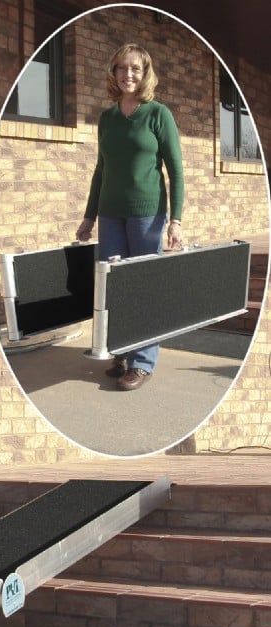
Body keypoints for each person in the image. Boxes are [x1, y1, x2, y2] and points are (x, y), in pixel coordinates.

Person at [76, 43, 184, 391]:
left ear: (145, 72)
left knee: (143, 288)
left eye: (135, 68)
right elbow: (100, 170)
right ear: (114, 72)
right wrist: (89, 217)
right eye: (122, 67)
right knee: (114, 288)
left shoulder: (158, 114)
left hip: (147, 215)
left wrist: (176, 220)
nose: (128, 74)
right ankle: (122, 352)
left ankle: (142, 362)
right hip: (110, 214)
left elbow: (176, 171)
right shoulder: (106, 118)